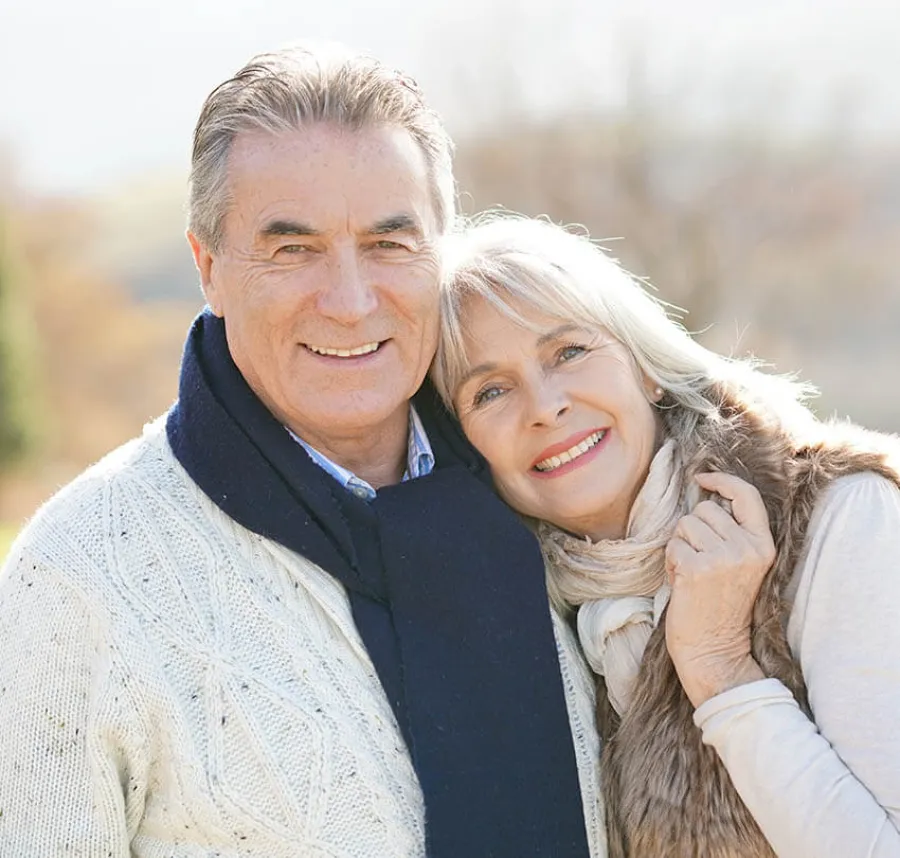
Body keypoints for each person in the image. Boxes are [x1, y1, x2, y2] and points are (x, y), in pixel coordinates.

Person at [0, 48, 605, 857]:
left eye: (390, 243)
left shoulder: (550, 489)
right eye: (293, 250)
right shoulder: (78, 582)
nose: (351, 302)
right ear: (208, 270)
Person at [432, 213, 900, 858]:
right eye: (489, 392)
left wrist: (720, 667)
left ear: (646, 367)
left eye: (569, 352)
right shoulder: (524, 619)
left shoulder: (839, 513)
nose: (545, 406)